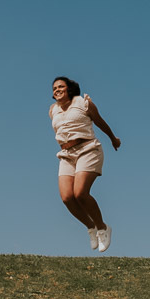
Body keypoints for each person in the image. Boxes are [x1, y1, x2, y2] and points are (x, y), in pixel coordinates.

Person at [49, 77, 121, 252]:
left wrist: (113, 138)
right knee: (67, 197)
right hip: (66, 154)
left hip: (88, 149)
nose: (56, 90)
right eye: (54, 88)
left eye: (61, 87)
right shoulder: (53, 110)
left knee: (80, 193)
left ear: (70, 89)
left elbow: (99, 121)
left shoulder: (83, 102)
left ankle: (103, 228)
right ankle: (91, 227)